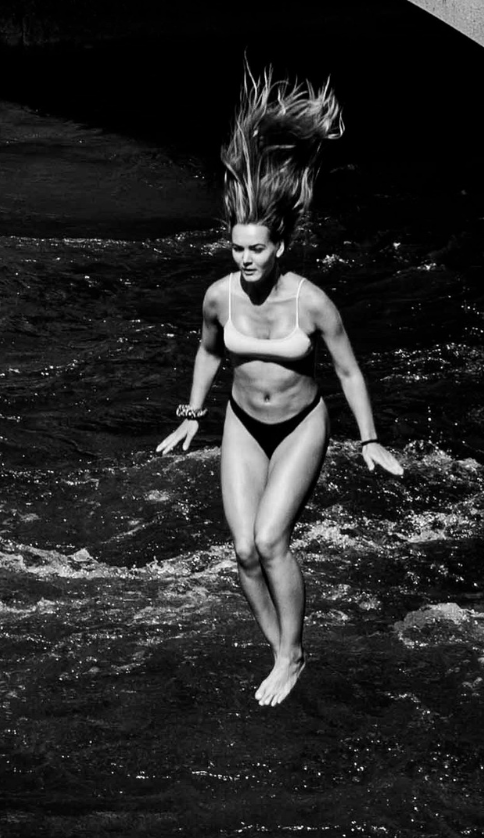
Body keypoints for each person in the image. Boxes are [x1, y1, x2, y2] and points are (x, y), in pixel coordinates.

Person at [156, 65, 403, 707]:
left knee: (271, 541)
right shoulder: (218, 297)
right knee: (241, 552)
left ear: (279, 246)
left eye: (257, 250)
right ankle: (281, 651)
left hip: (300, 424)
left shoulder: (311, 302)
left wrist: (370, 439)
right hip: (242, 422)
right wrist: (191, 414)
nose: (245, 259)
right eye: (238, 249)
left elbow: (347, 369)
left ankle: (292, 652)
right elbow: (209, 353)